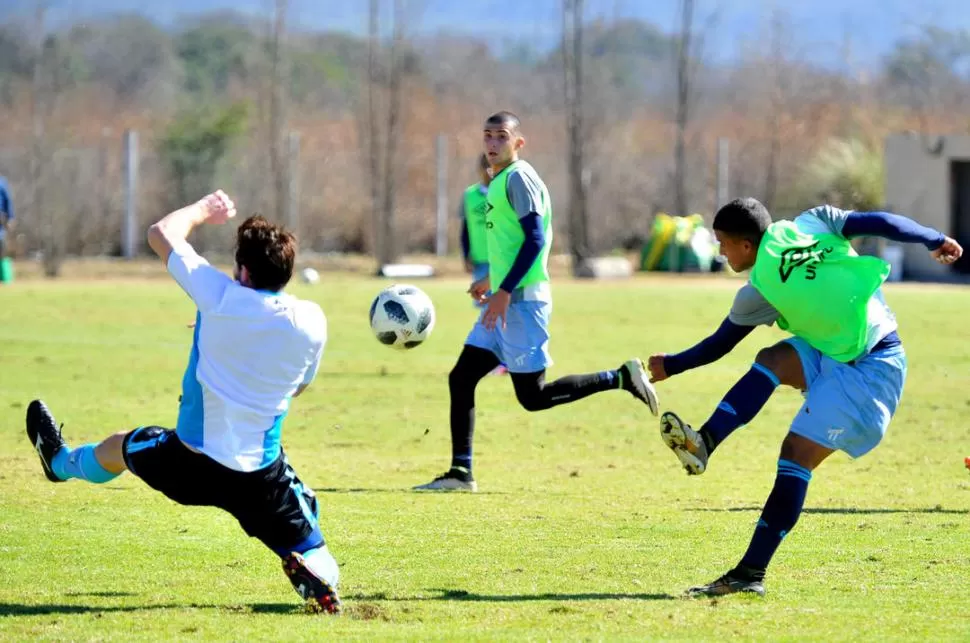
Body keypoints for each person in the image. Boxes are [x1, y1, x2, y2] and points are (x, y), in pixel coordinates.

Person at [25, 191, 342, 614]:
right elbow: (299, 386)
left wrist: (202, 211)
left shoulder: (218, 298)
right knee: (314, 542)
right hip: (261, 476)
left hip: (189, 464)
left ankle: (60, 463)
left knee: (121, 445)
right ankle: (316, 575)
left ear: (242, 271)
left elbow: (161, 234)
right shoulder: (311, 321)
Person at [647, 198, 963, 597]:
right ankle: (704, 442)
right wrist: (934, 238)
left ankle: (750, 573)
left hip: (873, 368)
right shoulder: (813, 221)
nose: (720, 251)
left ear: (746, 246)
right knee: (773, 358)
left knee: (795, 455)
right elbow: (878, 221)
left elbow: (719, 344)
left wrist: (671, 365)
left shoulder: (759, 290)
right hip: (833, 351)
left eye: (722, 243)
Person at [414, 111, 659, 493]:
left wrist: (504, 291)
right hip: (506, 299)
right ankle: (460, 473)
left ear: (518, 143)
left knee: (533, 397)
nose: (493, 144)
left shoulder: (519, 178)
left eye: (501, 137)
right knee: (461, 378)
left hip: (522, 304)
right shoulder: (499, 182)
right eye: (487, 136)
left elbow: (535, 241)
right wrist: (491, 280)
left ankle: (621, 377)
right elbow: (513, 244)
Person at [459, 153, 507, 375]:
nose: (488, 171)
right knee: (486, 310)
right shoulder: (470, 196)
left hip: (499, 260)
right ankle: (496, 358)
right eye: (484, 167)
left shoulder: (504, 194)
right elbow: (465, 227)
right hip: (480, 261)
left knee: (494, 310)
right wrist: (466, 253)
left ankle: (498, 359)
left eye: (492, 167)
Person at [0, 175, 14, 284]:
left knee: (2, 248)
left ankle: (5, 278)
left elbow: (7, 201)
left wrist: (10, 218)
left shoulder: (1, 183)